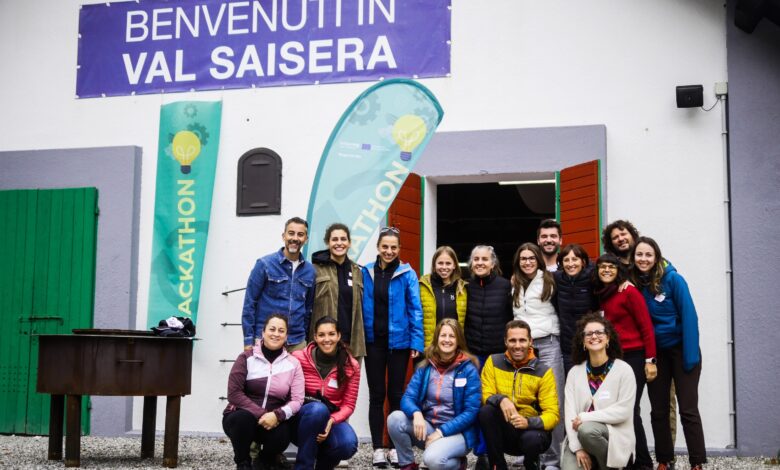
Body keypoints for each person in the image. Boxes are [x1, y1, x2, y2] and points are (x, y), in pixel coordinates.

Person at [632, 237, 706, 470]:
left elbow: (690, 317)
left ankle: (697, 462)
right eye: (639, 255)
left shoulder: (673, 279)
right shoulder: (634, 283)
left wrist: (690, 357)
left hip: (683, 349)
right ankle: (664, 460)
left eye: (648, 255)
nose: (643, 259)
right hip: (657, 354)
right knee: (659, 409)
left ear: (656, 257)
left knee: (688, 409)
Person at [362, 226, 425, 468]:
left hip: (400, 343)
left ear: (399, 249)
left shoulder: (407, 273)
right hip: (373, 343)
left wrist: (416, 341)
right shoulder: (366, 272)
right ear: (378, 247)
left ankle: (395, 448)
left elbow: (415, 309)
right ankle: (378, 448)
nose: (389, 251)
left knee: (396, 395)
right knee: (377, 395)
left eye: (393, 247)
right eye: (385, 247)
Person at [387, 319, 481, 470]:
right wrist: (416, 413)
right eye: (443, 335)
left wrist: (441, 432)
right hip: (430, 428)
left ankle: (458, 464)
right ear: (437, 338)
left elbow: (471, 411)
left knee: (432, 460)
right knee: (395, 419)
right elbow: (408, 398)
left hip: (459, 433)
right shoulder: (425, 367)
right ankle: (408, 465)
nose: (447, 340)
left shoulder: (468, 369)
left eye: (452, 336)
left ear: (458, 341)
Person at [592, 253, 656, 470]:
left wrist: (650, 360)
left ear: (618, 270)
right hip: (613, 359)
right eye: (603, 267)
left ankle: (643, 463)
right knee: (616, 409)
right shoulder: (600, 294)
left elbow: (646, 327)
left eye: (611, 267)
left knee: (630, 410)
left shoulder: (628, 292)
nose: (607, 270)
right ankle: (626, 461)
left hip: (634, 356)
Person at [223, 314, 305, 470]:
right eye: (272, 329)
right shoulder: (246, 358)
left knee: (283, 434)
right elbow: (234, 394)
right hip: (242, 417)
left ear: (286, 336)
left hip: (274, 420)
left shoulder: (293, 364)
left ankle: (264, 461)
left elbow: (297, 400)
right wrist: (262, 413)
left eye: (281, 331)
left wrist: (277, 415)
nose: (276, 334)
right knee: (242, 419)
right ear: (263, 332)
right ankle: (243, 463)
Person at [511, 242, 564, 470]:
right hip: (524, 347)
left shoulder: (551, 280)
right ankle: (527, 451)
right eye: (523, 258)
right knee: (526, 399)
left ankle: (552, 459)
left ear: (538, 260)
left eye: (531, 258)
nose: (527, 262)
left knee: (553, 400)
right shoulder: (514, 283)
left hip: (548, 343)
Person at [478, 319, 559, 470]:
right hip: (506, 431)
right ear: (505, 341)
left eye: (522, 340)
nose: (517, 345)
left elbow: (553, 415)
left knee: (531, 439)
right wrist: (501, 399)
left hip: (532, 432)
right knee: (486, 411)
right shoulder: (493, 361)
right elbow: (485, 393)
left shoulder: (543, 371)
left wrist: (528, 422)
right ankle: (498, 466)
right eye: (512, 340)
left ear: (530, 342)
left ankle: (531, 464)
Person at [562, 314, 637, 470]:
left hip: (613, 436)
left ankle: (611, 467)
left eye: (599, 332)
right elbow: (570, 414)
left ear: (608, 338)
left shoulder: (624, 370)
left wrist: (585, 417)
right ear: (583, 341)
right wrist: (577, 448)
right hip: (580, 439)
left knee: (587, 430)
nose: (594, 336)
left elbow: (623, 411)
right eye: (588, 334)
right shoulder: (574, 373)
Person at [291, 316, 360, 470]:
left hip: (331, 419)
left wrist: (331, 421)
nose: (327, 339)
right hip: (302, 419)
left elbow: (348, 405)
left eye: (331, 334)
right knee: (318, 409)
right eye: (321, 335)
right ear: (315, 337)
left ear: (339, 335)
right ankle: (303, 467)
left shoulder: (351, 365)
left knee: (348, 444)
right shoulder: (298, 358)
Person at [242, 217, 316, 352]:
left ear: (306, 239)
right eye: (291, 233)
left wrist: (304, 335)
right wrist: (248, 340)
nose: (295, 238)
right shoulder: (264, 264)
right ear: (284, 236)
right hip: (266, 339)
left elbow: (308, 309)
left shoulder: (310, 271)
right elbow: (249, 303)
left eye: (300, 234)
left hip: (296, 342)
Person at [310, 223, 366, 360]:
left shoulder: (358, 271)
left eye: (343, 239)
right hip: (324, 343)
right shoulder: (315, 269)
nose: (339, 243)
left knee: (351, 375)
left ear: (349, 243)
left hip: (352, 343)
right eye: (334, 239)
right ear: (327, 243)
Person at [553, 243, 599, 374]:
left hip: (591, 341)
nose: (570, 264)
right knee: (572, 380)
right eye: (566, 260)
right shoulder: (556, 278)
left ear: (583, 261)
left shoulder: (593, 277)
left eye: (575, 259)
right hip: (568, 345)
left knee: (594, 381)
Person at [463, 245, 512, 365]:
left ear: (493, 264)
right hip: (472, 354)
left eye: (485, 259)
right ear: (471, 263)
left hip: (498, 354)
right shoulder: (464, 286)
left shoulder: (506, 286)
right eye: (476, 259)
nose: (480, 263)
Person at [419, 246, 467, 347]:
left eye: (448, 263)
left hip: (453, 346)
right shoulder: (422, 286)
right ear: (434, 265)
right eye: (440, 263)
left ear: (454, 265)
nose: (444, 267)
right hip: (429, 347)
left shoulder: (463, 288)